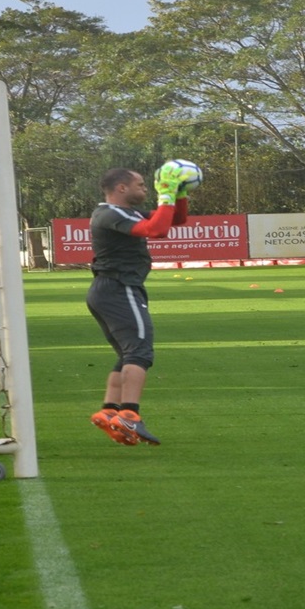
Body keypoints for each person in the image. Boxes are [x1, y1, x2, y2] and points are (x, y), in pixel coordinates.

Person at [85, 163, 198, 445]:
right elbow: (156, 230)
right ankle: (129, 416)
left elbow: (176, 221)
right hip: (118, 288)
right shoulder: (109, 213)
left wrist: (178, 193)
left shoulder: (123, 211)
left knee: (127, 354)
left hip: (111, 289)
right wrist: (166, 195)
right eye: (140, 184)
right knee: (140, 352)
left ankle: (109, 410)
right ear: (121, 188)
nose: (146, 189)